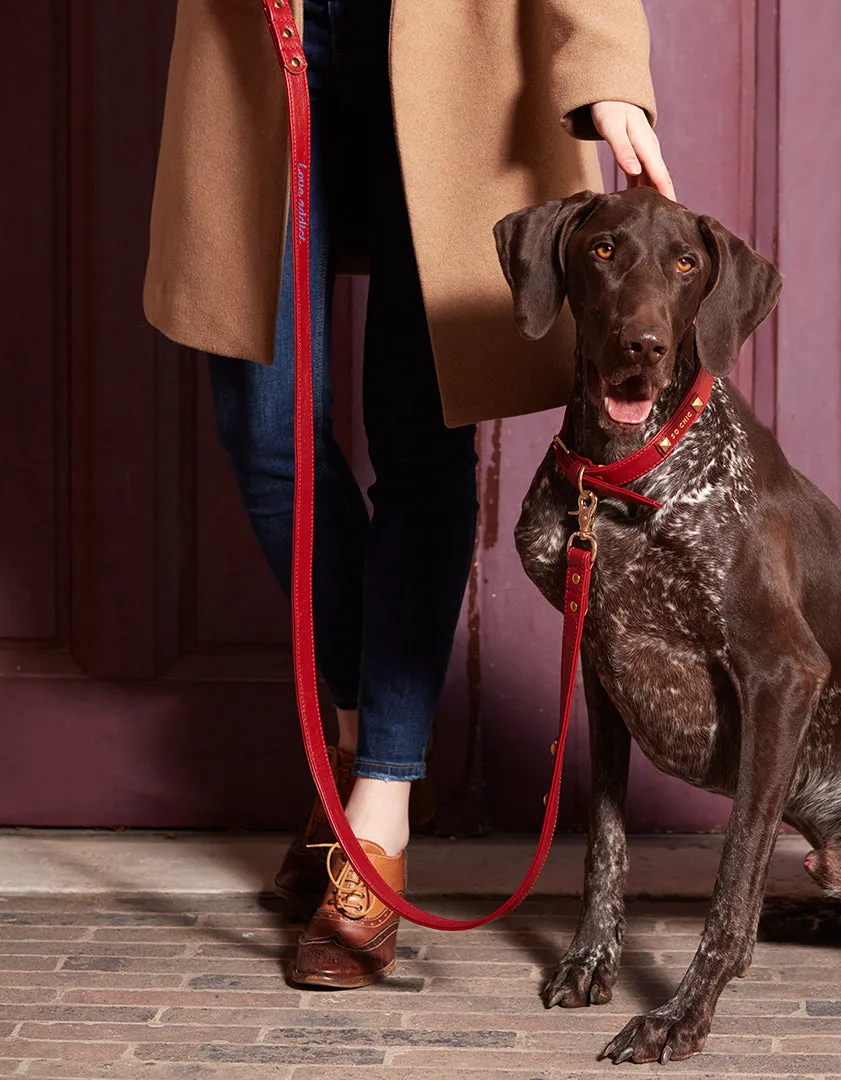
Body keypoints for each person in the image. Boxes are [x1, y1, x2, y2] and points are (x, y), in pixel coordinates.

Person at [144, 0, 672, 989]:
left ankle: (378, 811)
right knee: (267, 438)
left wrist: (604, 71)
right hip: (267, 46)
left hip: (456, 60)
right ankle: (359, 746)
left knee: (421, 448)